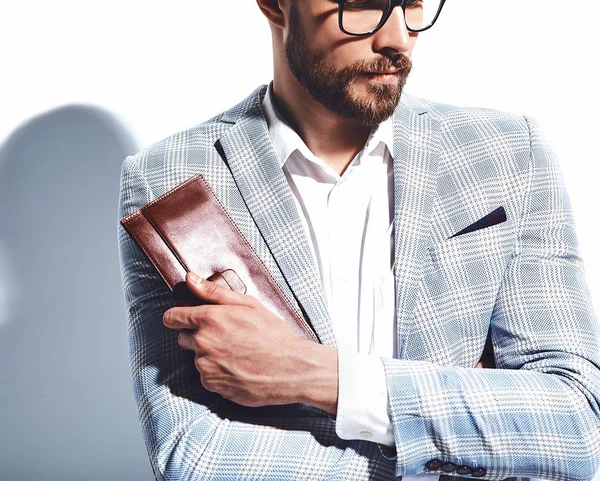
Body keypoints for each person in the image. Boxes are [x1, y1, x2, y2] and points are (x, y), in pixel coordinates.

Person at [117, 1, 600, 480]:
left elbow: (580, 423)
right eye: (363, 5)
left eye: (412, 4)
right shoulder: (171, 176)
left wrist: (318, 374)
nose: (398, 37)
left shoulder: (508, 153)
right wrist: (461, 447)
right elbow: (193, 455)